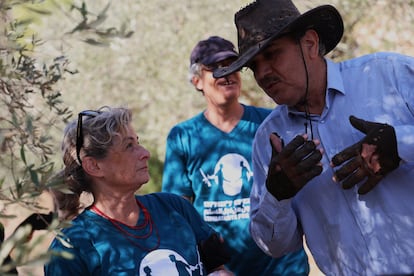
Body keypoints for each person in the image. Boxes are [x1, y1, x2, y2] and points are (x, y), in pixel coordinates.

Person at [213, 0, 414, 274]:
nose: (262, 74)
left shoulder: (387, 75)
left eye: (272, 54)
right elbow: (275, 246)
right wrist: (277, 195)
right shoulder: (269, 139)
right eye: (253, 66)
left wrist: (400, 144)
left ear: (309, 43)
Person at [162, 36, 309, 275]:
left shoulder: (271, 123)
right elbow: (177, 214)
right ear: (197, 81)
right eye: (216, 69)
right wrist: (212, 267)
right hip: (222, 270)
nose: (228, 74)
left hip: (283, 266)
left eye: (233, 66)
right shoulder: (183, 137)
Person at [44, 106, 234, 276]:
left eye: (137, 142)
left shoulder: (174, 207)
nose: (145, 153)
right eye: (129, 146)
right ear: (94, 166)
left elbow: (218, 267)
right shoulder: (71, 247)